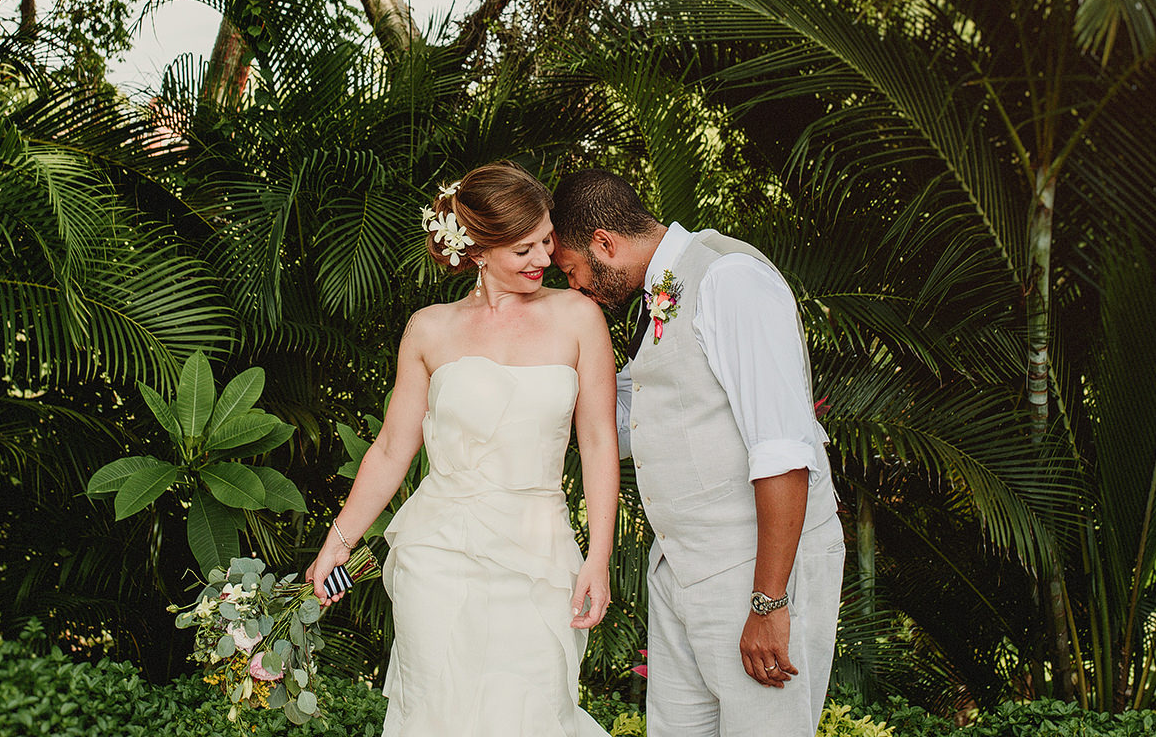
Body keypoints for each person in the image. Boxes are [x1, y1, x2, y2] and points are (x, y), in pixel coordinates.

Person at [306, 162, 618, 737]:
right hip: (439, 554)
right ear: (477, 251)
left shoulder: (578, 318)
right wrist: (337, 545)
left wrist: (599, 555)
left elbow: (598, 442)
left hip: (538, 554)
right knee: (436, 712)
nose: (544, 259)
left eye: (546, 239)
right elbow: (391, 451)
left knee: (529, 714)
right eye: (524, 248)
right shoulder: (429, 329)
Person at [550, 169, 844, 737]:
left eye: (573, 271)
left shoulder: (729, 280)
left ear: (605, 243)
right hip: (681, 569)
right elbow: (636, 414)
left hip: (755, 570)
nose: (575, 290)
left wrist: (767, 602)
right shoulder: (658, 292)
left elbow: (782, 450)